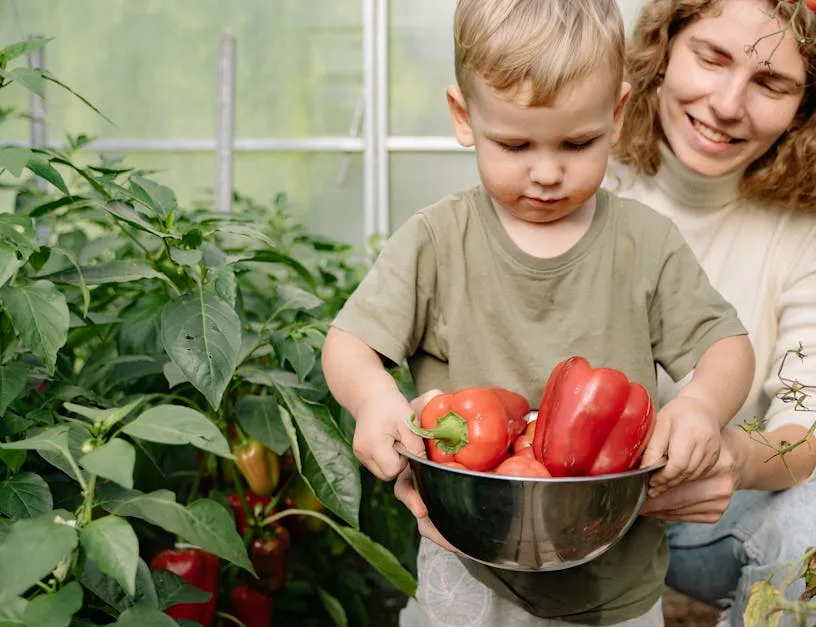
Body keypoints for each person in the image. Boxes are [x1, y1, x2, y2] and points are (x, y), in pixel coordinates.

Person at [320, 0, 757, 625]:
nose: (547, 173)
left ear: (618, 114)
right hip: (465, 562)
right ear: (463, 117)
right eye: (515, 143)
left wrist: (701, 407)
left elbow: (726, 346)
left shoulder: (645, 243)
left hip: (613, 577)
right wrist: (372, 401)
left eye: (578, 143)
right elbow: (349, 343)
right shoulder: (438, 240)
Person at [603, 0, 816, 625]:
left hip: (707, 516)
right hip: (564, 503)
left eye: (771, 83)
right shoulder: (577, 171)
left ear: (809, 105)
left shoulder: (811, 231)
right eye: (710, 57)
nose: (726, 103)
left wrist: (734, 461)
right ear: (663, 50)